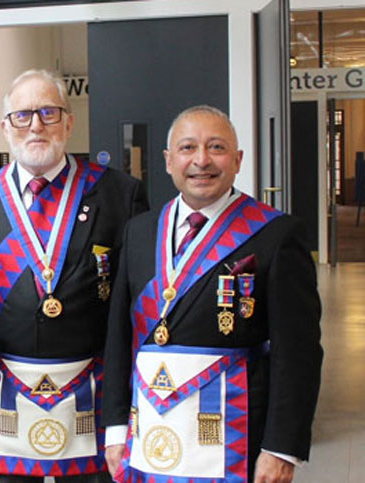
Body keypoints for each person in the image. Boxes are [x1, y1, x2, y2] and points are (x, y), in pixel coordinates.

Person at [0, 69, 146, 483]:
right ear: (5, 126)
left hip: (93, 388)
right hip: (5, 389)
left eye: (49, 113)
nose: (36, 125)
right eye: (23, 115)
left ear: (69, 122)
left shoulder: (119, 194)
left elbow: (137, 291)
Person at [102, 106, 321, 482]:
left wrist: (281, 447)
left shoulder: (275, 235)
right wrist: (115, 427)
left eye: (216, 147)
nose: (201, 160)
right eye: (187, 148)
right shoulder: (139, 231)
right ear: (169, 161)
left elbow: (298, 353)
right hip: (150, 430)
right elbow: (119, 338)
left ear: (237, 160)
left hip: (235, 436)